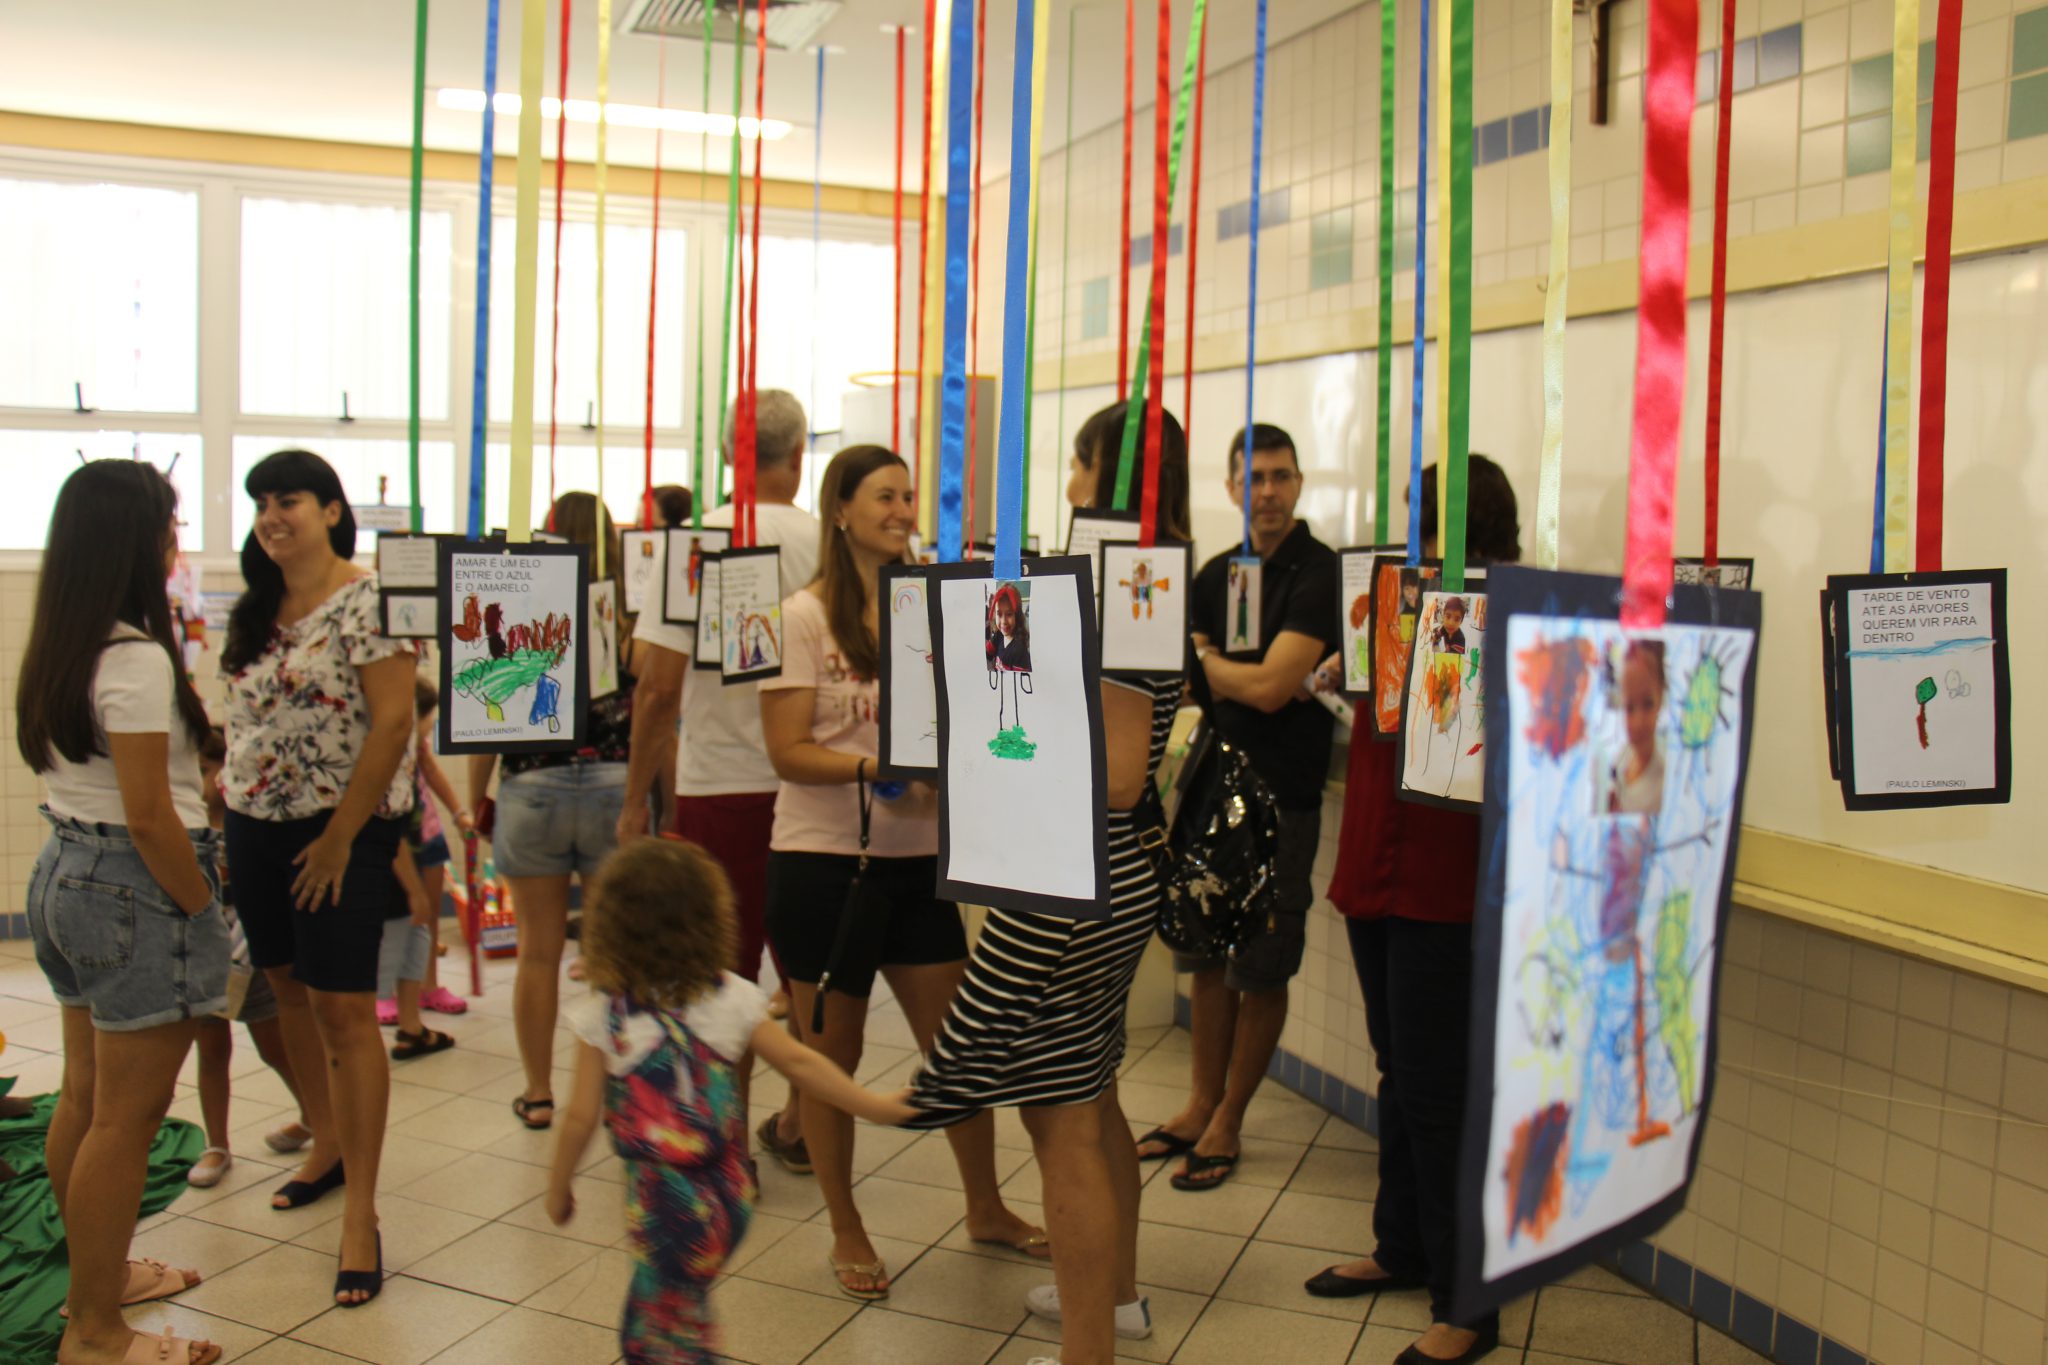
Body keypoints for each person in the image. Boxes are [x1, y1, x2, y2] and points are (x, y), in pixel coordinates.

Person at [913, 403, 1194, 1365]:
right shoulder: (1145, 578)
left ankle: (1087, 1351)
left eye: (1078, 464)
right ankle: (1114, 1303)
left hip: (1073, 874)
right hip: (1100, 872)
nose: (1068, 486)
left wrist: (994, 750)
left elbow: (1117, 775)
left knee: (1058, 1117)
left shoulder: (1128, 586)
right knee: (1092, 1094)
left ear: (1104, 474)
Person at [759, 443, 1046, 1301]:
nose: (901, 510)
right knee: (832, 1056)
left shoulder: (932, 607)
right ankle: (846, 1226)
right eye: (883, 496)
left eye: (908, 496)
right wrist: (870, 767)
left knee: (955, 1046)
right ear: (840, 509)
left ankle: (985, 1206)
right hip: (823, 865)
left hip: (920, 862)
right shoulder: (801, 616)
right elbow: (786, 750)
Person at [546, 838, 914, 1365]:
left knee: (654, 1333)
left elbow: (581, 1117)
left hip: (663, 1201)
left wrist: (559, 1186)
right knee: (677, 1308)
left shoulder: (606, 1016)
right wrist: (873, 1105)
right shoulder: (731, 997)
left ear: (608, 929)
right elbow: (802, 1064)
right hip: (729, 1193)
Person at [1309, 455, 1521, 1365]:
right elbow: (1385, 709)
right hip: (1378, 863)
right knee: (1399, 1071)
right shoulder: (1392, 593)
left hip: (1446, 879)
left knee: (1439, 1094)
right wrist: (1347, 668)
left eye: (1431, 524)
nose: (1420, 541)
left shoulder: (1509, 609)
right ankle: (1403, 1247)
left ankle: (1467, 1305)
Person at [19, 462, 229, 1365]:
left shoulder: (67, 641)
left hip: (65, 870)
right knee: (126, 1118)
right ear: (134, 539)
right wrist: (204, 907)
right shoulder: (137, 657)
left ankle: (92, 1283)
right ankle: (97, 1330)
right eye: (168, 523)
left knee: (86, 1095)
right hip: (132, 886)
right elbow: (149, 815)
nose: (175, 538)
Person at [220, 448, 418, 1307]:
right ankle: (327, 1144)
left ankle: (361, 1213)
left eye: (289, 499)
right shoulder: (256, 607)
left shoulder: (370, 599)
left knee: (344, 1009)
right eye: (262, 501)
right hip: (254, 826)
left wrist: (340, 838)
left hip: (341, 828)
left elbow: (394, 722)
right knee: (287, 990)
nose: (273, 516)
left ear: (333, 510)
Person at [622, 390, 818, 1170]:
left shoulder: (696, 544)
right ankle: (803, 1122)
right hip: (818, 783)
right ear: (798, 456)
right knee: (811, 972)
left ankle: (726, 1141)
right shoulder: (830, 541)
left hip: (718, 783)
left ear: (729, 455)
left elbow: (657, 689)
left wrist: (635, 802)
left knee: (720, 973)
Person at [1140, 422, 1339, 1190]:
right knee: (1206, 953)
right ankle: (1199, 1103)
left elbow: (1272, 687)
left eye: (1281, 476)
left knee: (1261, 963)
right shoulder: (1215, 573)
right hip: (1210, 792)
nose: (1268, 491)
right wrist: (1222, 669)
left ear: (1299, 483)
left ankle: (1229, 1118)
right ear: (1230, 487)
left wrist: (1211, 660)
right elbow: (1190, 679)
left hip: (1282, 798)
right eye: (1253, 478)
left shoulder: (1318, 571)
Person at [469, 491, 637, 1131]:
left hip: (531, 783)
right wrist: (664, 799)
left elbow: (487, 715)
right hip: (614, 785)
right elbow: (652, 710)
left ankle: (539, 1094)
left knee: (537, 953)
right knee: (611, 954)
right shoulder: (626, 612)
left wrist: (476, 799)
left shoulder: (523, 607)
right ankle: (613, 1092)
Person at [189, 727, 310, 1191]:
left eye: (204, 769)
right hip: (205, 948)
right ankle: (217, 1143)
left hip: (249, 949)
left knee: (273, 1044)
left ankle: (315, 1113)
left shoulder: (244, 822)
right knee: (210, 1046)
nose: (197, 780)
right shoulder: (187, 823)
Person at [1600, 641, 1668, 815]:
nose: (1638, 723)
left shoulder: (1663, 789)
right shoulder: (1625, 754)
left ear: (1660, 696)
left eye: (1648, 704)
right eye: (1629, 708)